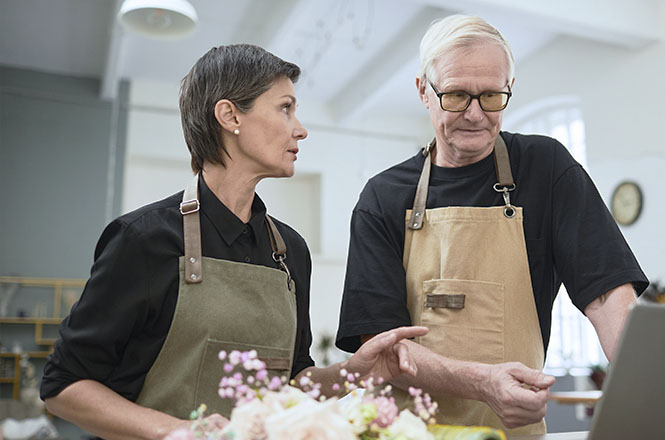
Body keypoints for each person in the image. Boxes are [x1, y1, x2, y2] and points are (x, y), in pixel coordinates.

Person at [336, 14, 665, 439]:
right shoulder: (383, 197)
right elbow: (381, 345)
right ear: (423, 91)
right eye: (455, 95)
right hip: (409, 432)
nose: (474, 114)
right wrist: (482, 382)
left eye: (491, 96)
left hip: (514, 431)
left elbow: (608, 299)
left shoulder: (547, 169)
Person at [40, 44, 426, 440]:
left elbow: (291, 383)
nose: (301, 128)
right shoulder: (143, 240)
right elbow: (63, 386)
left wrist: (349, 373)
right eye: (285, 108)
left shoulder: (290, 252)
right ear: (230, 116)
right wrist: (180, 432)